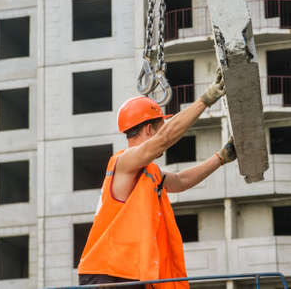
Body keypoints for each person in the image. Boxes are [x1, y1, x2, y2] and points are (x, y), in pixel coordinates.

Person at [77, 70, 237, 289]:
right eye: (162, 126)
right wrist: (204, 100)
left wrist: (221, 158)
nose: (165, 130)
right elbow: (164, 140)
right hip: (106, 272)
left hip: (130, 271)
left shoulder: (149, 172)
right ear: (150, 129)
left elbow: (180, 181)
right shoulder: (123, 162)